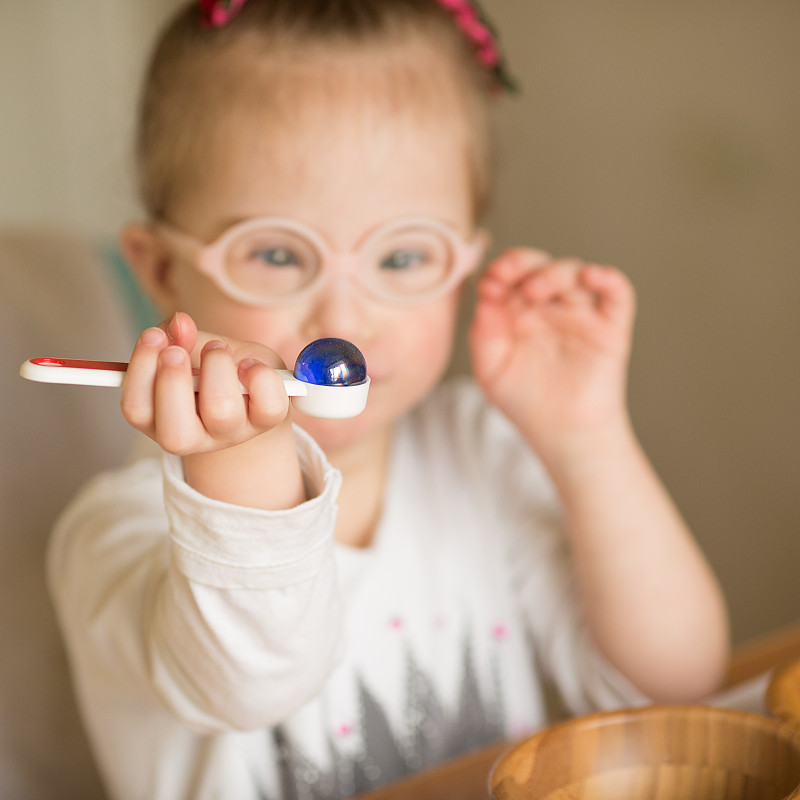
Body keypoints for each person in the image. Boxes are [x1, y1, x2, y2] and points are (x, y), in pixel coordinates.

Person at [48, 1, 730, 799]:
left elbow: (675, 687)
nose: (344, 320)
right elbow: (253, 684)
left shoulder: (479, 449)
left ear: (467, 263)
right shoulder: (115, 534)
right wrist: (246, 461)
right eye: (275, 254)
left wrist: (585, 439)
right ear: (161, 272)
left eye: (403, 256)